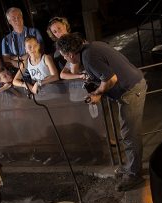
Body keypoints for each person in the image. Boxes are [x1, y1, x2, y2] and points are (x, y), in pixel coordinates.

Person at [56, 33, 148, 191]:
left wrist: (97, 93)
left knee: (130, 134)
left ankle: (134, 175)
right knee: (128, 133)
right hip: (132, 87)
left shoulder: (88, 58)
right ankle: (132, 167)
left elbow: (110, 79)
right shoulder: (92, 47)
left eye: (64, 56)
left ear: (70, 53)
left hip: (131, 90)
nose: (64, 59)